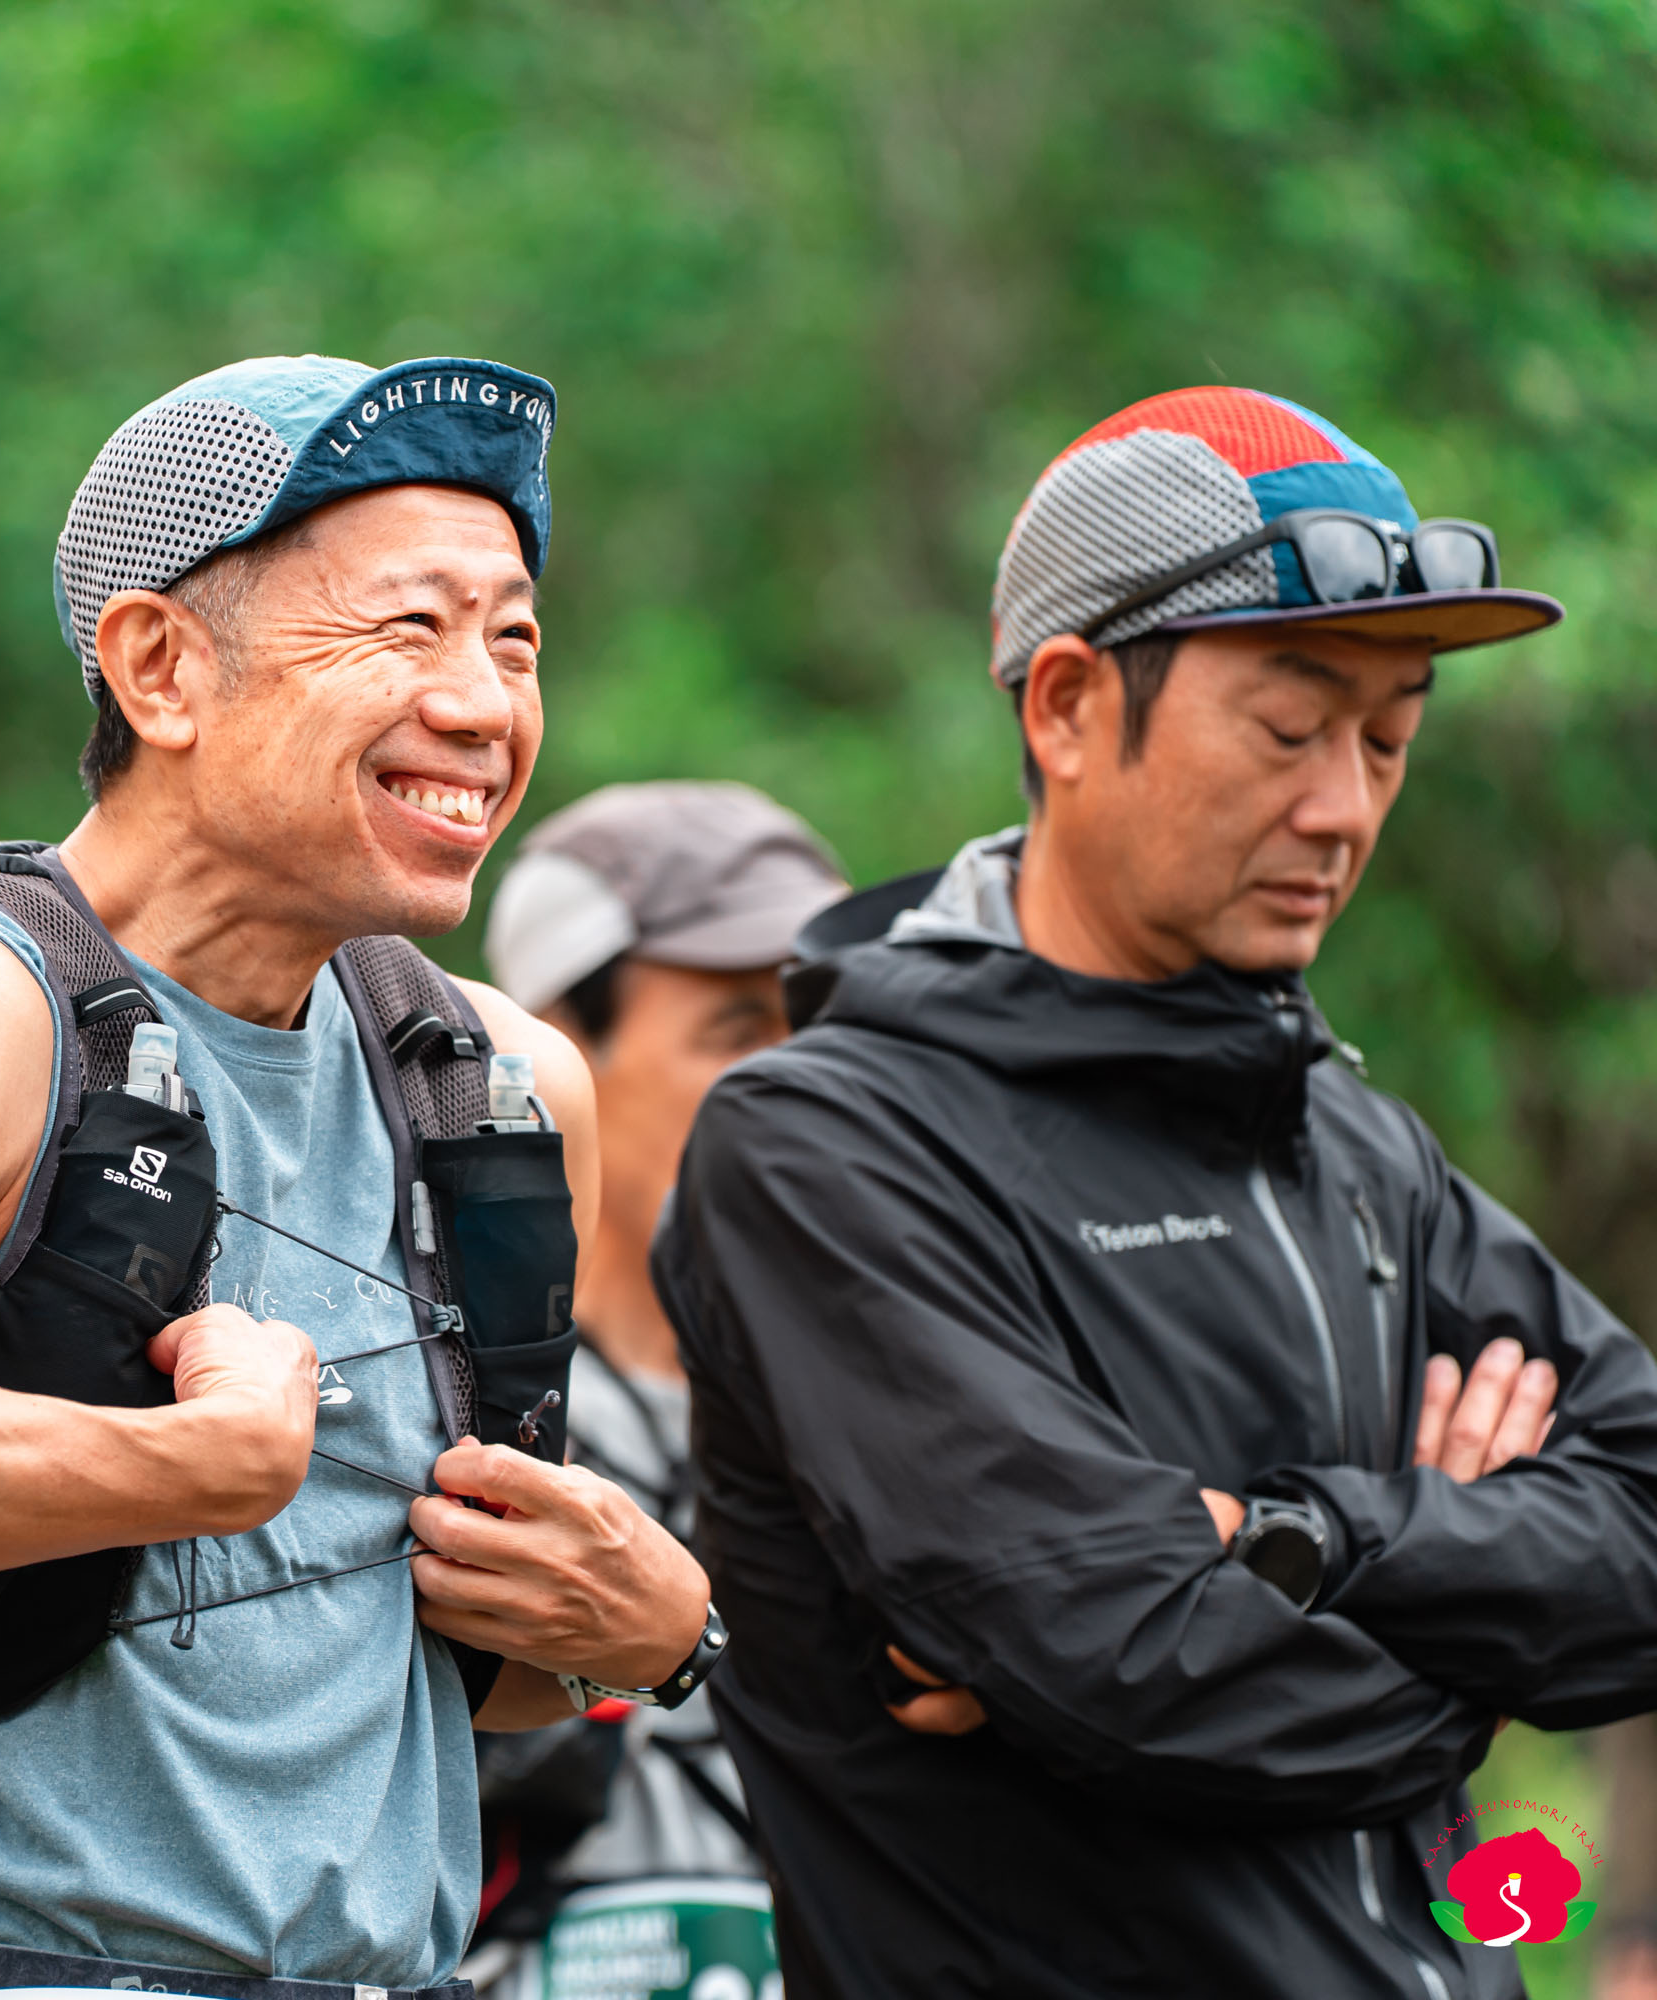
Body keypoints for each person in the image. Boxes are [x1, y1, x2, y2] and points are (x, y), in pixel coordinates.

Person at [0, 355, 719, 1999]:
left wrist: (659, 1629)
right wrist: (180, 1469)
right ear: (162, 668)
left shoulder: (502, 1088)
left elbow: (471, 1658)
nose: (483, 706)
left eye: (514, 638)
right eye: (411, 627)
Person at [655, 384, 1657, 1998]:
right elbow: (1135, 1667)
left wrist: (1306, 1543)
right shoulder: (827, 1148)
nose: (1344, 806)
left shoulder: (1356, 1143)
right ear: (1066, 707)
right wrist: (1484, 1643)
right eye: (1289, 730)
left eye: (1389, 738)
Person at [464, 783, 844, 1966]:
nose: (797, 1082)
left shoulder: (892, 1405)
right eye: (736, 1030)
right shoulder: (445, 1392)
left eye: (818, 1032)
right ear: (557, 1050)